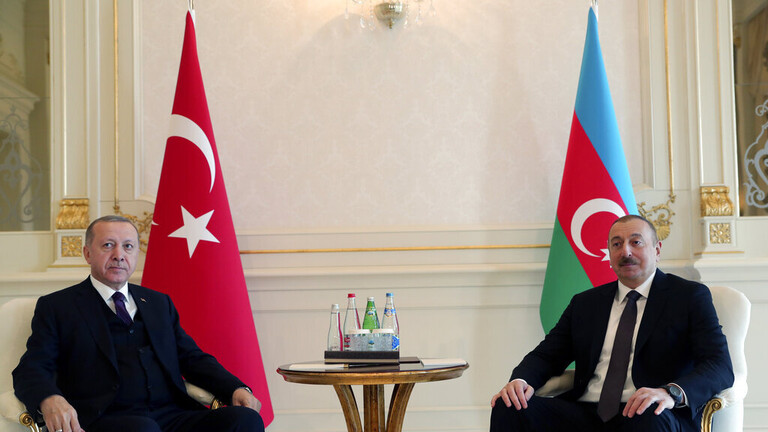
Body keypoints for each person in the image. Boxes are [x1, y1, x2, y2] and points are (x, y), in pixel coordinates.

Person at [13, 215, 264, 432]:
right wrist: (49, 398)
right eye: (108, 245)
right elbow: (31, 368)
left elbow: (192, 358)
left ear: (135, 254)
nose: (119, 255)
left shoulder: (158, 303)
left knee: (245, 419)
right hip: (105, 419)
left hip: (171, 415)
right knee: (143, 429)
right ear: (87, 253)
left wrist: (235, 388)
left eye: (128, 246)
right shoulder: (58, 306)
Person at [490, 215, 734, 432]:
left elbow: (719, 365)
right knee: (509, 406)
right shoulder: (585, 303)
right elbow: (547, 355)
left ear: (657, 250)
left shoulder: (688, 297)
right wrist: (520, 381)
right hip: (586, 412)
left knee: (648, 416)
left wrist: (670, 392)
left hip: (647, 412)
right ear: (609, 254)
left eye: (636, 242)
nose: (625, 251)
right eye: (616, 244)